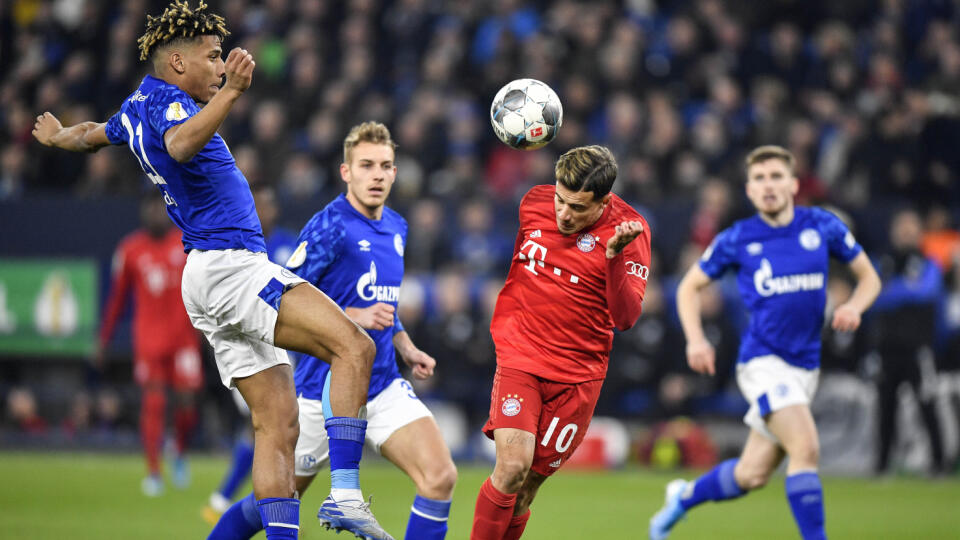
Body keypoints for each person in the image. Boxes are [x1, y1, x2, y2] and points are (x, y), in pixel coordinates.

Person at [31, 3, 386, 539]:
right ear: (176, 61)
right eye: (213, 57)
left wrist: (60, 136)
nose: (222, 67)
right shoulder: (172, 106)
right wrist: (231, 94)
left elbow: (94, 133)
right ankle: (344, 494)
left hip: (208, 274)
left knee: (277, 425)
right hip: (230, 266)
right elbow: (178, 145)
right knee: (354, 347)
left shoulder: (134, 107)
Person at [212, 121, 455, 540]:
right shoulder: (329, 226)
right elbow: (281, 294)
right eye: (365, 165)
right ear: (346, 172)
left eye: (384, 166)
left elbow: (385, 305)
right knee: (270, 501)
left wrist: (405, 344)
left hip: (381, 385)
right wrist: (352, 316)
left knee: (440, 476)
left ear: (395, 173)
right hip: (321, 392)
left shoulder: (397, 227)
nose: (376, 175)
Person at [649, 145, 882, 540]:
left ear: (793, 184)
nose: (768, 185)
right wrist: (696, 340)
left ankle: (683, 497)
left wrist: (855, 307)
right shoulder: (738, 238)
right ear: (750, 190)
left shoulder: (821, 226)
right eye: (759, 179)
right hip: (763, 363)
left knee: (751, 473)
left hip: (805, 367)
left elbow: (870, 278)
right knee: (805, 449)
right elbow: (689, 286)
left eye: (776, 176)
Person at [470, 145, 652, 539]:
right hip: (521, 355)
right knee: (511, 467)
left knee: (524, 492)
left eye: (577, 207)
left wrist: (614, 258)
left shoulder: (630, 231)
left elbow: (626, 318)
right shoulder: (533, 202)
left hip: (577, 376)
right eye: (560, 200)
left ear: (604, 201)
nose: (563, 214)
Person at [204, 184, 299, 522]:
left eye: (269, 204)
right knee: (262, 424)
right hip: (251, 348)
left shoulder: (291, 244)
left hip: (292, 350)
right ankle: (232, 497)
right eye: (258, 205)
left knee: (282, 429)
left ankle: (254, 502)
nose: (264, 211)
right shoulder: (236, 248)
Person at [99, 195, 202, 496]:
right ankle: (154, 472)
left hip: (183, 339)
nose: (155, 213)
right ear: (143, 212)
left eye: (159, 207)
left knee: (186, 405)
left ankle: (179, 452)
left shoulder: (185, 242)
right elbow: (117, 298)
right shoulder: (130, 249)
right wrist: (104, 338)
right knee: (154, 403)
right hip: (149, 340)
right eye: (149, 208)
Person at [871, 208, 945, 475]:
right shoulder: (883, 261)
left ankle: (938, 465)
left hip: (918, 349)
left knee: (928, 405)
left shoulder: (930, 262)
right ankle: (880, 466)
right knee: (884, 410)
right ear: (893, 231)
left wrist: (894, 291)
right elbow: (874, 297)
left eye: (911, 227)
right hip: (887, 349)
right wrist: (906, 290)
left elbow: (928, 292)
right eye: (901, 227)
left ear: (919, 232)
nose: (906, 232)